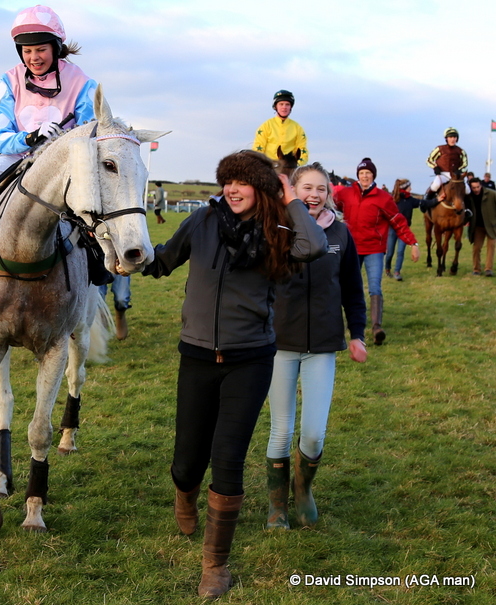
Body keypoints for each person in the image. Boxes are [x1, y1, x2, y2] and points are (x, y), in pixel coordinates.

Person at [141, 150, 327, 599]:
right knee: (187, 461)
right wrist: (119, 254)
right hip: (198, 357)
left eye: (243, 181)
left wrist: (290, 200)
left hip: (251, 359)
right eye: (228, 180)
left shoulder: (278, 230)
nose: (233, 189)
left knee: (227, 459)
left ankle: (215, 566)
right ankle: (184, 492)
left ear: (261, 188)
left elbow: (314, 246)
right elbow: (161, 262)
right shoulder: (202, 223)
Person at [265, 162, 367, 531]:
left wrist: (357, 333)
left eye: (321, 189)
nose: (313, 194)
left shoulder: (340, 233)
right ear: (292, 191)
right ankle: (277, 506)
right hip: (279, 344)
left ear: (329, 194)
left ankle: (303, 489)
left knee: (313, 433)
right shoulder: (275, 229)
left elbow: (353, 289)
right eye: (306, 188)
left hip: (322, 344)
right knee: (281, 429)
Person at [0, 5, 97, 209]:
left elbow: (90, 132)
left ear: (55, 48)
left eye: (41, 50)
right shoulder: (9, 80)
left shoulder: (83, 83)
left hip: (64, 164)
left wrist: (62, 142)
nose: (34, 57)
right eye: (27, 51)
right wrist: (29, 138)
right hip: (15, 158)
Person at [334, 158, 419, 345]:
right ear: (358, 176)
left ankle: (376, 327)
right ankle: (340, 324)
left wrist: (413, 243)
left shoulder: (384, 198)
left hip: (374, 249)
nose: (365, 176)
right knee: (346, 286)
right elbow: (329, 207)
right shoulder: (346, 194)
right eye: (362, 173)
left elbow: (398, 221)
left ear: (373, 176)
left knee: (374, 286)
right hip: (351, 249)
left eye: (368, 173)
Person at [253, 90, 309, 167]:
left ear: (291, 107)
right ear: (276, 106)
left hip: (290, 167)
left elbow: (303, 150)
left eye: (287, 104)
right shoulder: (265, 126)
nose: (284, 107)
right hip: (269, 167)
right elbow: (258, 149)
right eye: (281, 104)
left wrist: (297, 164)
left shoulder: (298, 128)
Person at [385, 179, 420, 281]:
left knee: (400, 251)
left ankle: (397, 272)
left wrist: (437, 200)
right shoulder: (392, 200)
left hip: (404, 230)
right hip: (392, 229)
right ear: (405, 187)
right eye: (409, 187)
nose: (411, 189)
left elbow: (424, 202)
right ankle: (387, 268)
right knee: (390, 252)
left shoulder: (410, 200)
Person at [425, 127, 469, 207]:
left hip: (456, 176)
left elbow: (465, 164)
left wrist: (459, 170)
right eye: (450, 137)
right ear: (446, 138)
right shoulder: (439, 149)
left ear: (457, 139)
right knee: (435, 185)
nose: (452, 139)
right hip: (443, 174)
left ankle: (468, 208)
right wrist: (435, 167)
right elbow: (429, 160)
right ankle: (426, 203)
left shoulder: (461, 151)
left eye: (454, 137)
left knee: (467, 190)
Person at [467, 177, 496, 276]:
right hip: (478, 227)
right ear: (470, 187)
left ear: (481, 185)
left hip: (491, 226)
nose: (476, 189)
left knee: (491, 247)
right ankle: (476, 269)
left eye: (478, 187)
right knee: (476, 248)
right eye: (474, 187)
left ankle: (488, 269)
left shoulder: (492, 194)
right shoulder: (469, 197)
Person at [100, 275, 131, 340]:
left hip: (121, 265)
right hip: (99, 265)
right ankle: (101, 322)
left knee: (122, 298)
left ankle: (120, 316)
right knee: (99, 297)